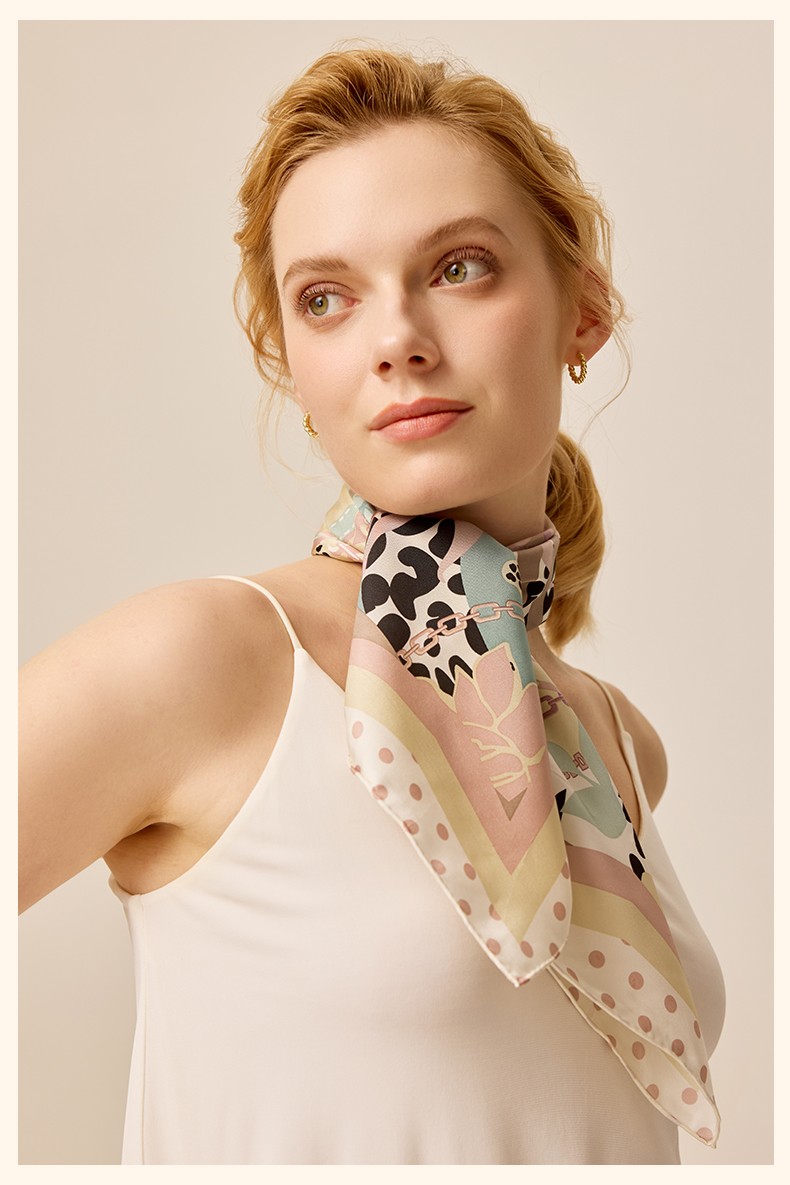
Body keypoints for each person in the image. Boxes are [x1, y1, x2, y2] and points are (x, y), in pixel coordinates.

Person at [19, 46, 725, 1165]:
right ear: (291, 364)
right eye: (327, 299)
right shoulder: (212, 661)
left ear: (583, 311)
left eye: (460, 267)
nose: (396, 339)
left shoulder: (619, 744)